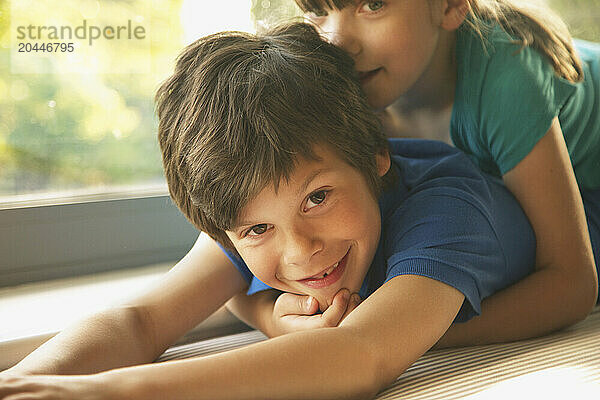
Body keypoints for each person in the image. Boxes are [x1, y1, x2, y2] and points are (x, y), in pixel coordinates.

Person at [1, 22, 587, 399]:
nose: (299, 249)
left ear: (376, 155)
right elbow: (141, 320)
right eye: (255, 230)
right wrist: (24, 383)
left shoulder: (448, 211)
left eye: (318, 198)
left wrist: (111, 392)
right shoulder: (258, 198)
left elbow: (360, 354)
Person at [227, 0, 600, 346]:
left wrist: (412, 333)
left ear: (450, 5)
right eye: (316, 9)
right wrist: (271, 319)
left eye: (372, 5)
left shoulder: (507, 80)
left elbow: (572, 284)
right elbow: (223, 256)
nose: (337, 40)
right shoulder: (341, 80)